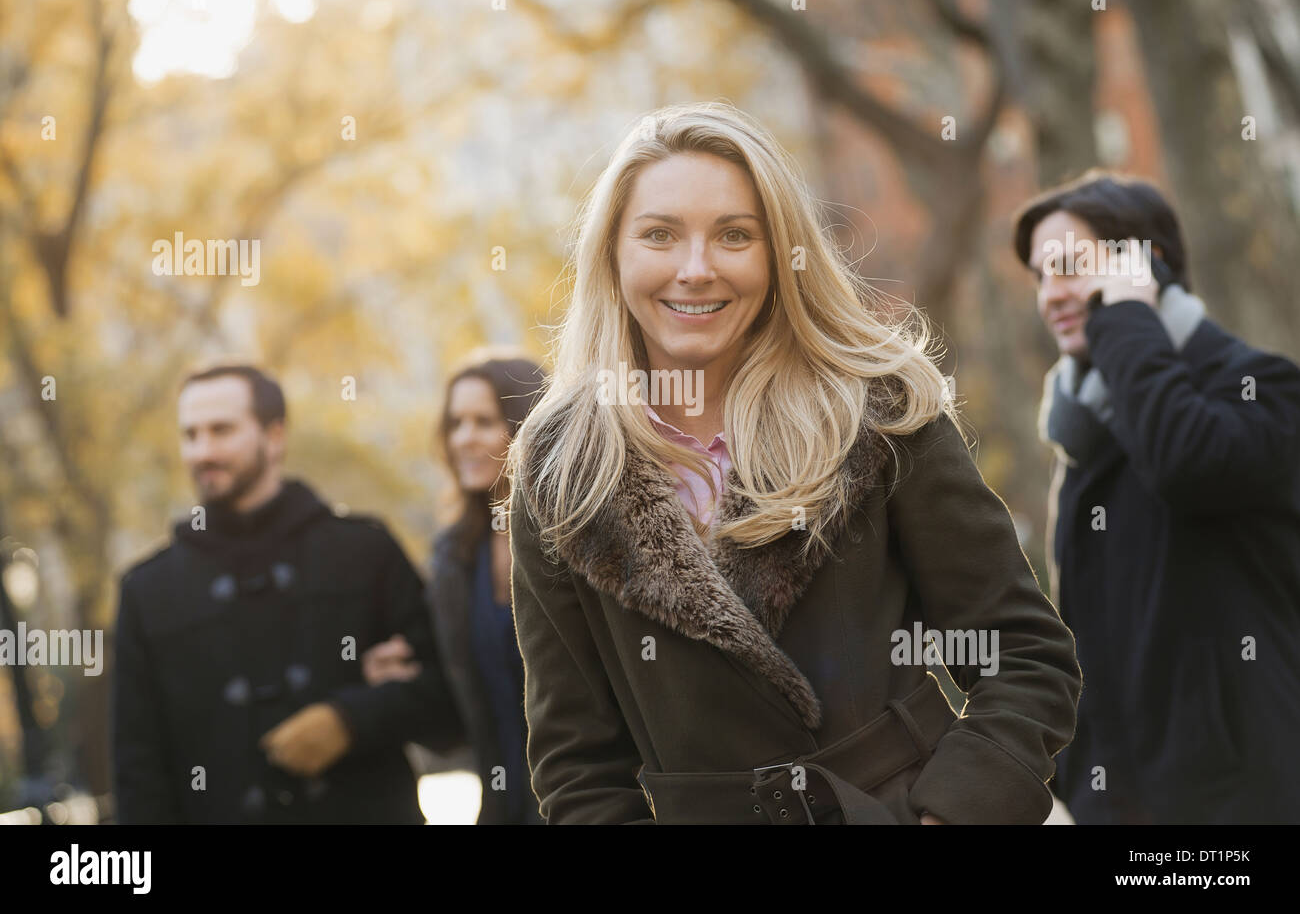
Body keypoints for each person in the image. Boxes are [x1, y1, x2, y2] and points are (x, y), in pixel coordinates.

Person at [504, 101, 1082, 824]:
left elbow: (1022, 655)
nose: (695, 268)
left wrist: (950, 816)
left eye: (734, 235)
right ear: (612, 255)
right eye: (659, 235)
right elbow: (578, 765)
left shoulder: (877, 409)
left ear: (779, 254)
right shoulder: (563, 472)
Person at [1014, 169, 1300, 823]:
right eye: (1038, 275)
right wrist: (1075, 772)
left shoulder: (1264, 388)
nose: (1049, 295)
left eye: (1067, 267)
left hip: (1245, 805)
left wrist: (1124, 320)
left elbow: (1187, 463)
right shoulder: (1085, 441)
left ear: (1145, 267)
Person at [112, 364, 464, 823]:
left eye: (221, 430)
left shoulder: (365, 550)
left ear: (274, 435)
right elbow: (138, 772)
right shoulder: (147, 590)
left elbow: (449, 700)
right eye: (190, 435)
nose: (202, 451)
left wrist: (351, 719)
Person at [363, 350, 546, 824]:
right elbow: (456, 717)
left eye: (484, 421)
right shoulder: (454, 559)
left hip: (594, 805)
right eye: (455, 423)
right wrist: (402, 677)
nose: (463, 439)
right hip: (503, 808)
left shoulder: (576, 536)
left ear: (528, 425)